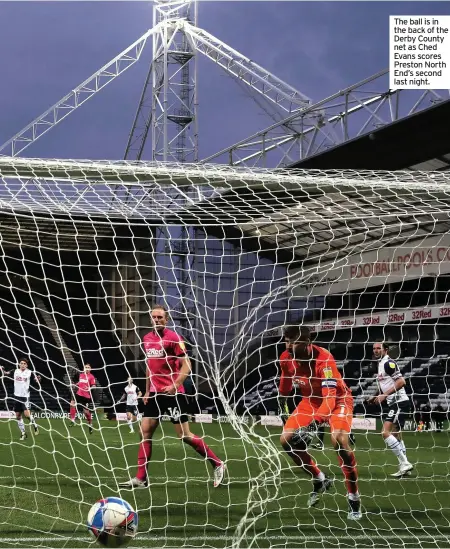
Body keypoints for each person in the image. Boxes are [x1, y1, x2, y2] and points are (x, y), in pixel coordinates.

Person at [119, 305, 226, 489]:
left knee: (184, 435)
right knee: (144, 432)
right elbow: (149, 367)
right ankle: (141, 478)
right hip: (154, 394)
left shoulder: (174, 338)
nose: (157, 319)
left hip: (174, 393)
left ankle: (218, 463)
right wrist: (146, 391)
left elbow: (187, 365)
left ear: (166, 319)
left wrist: (175, 385)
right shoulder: (146, 339)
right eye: (154, 317)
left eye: (160, 317)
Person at [279, 326, 361, 520]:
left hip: (338, 400)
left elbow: (330, 399)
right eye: (287, 340)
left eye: (294, 341)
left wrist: (315, 423)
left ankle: (353, 497)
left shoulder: (324, 359)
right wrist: (282, 398)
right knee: (285, 440)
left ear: (307, 343)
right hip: (310, 401)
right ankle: (319, 479)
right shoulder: (285, 357)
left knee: (339, 441)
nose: (289, 345)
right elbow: (286, 378)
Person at [367, 341, 414, 478]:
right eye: (374, 348)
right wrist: (375, 395)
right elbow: (385, 384)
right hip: (395, 403)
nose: (375, 351)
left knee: (385, 432)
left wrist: (384, 395)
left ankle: (405, 463)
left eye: (378, 348)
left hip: (399, 402)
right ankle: (405, 468)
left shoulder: (388, 363)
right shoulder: (380, 364)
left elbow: (401, 382)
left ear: (385, 350)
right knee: (397, 434)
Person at [5, 358, 40, 440]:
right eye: (21, 363)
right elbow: (6, 373)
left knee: (27, 414)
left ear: (27, 365)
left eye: (24, 363)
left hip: (25, 397)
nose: (23, 365)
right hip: (16, 396)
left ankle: (34, 425)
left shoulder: (30, 372)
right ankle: (23, 433)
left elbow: (36, 379)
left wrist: (38, 379)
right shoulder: (15, 371)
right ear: (19, 364)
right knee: (18, 416)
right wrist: (3, 371)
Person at [69, 363, 96, 434]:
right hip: (78, 393)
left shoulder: (91, 377)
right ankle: (73, 420)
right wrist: (75, 385)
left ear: (90, 369)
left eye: (88, 367)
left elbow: (94, 386)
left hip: (86, 396)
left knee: (86, 412)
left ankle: (90, 424)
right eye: (85, 367)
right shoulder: (81, 375)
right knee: (72, 403)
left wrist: (89, 388)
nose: (87, 368)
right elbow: (80, 383)